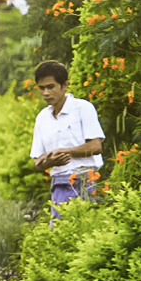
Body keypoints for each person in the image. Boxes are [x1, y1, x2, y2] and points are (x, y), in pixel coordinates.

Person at [29, 59, 105, 213]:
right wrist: (49, 161)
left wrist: (64, 152)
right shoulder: (42, 118)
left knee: (85, 229)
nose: (46, 93)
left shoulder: (83, 108)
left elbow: (96, 146)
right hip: (58, 184)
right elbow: (37, 162)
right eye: (41, 88)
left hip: (85, 179)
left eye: (51, 87)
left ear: (65, 85)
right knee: (59, 232)